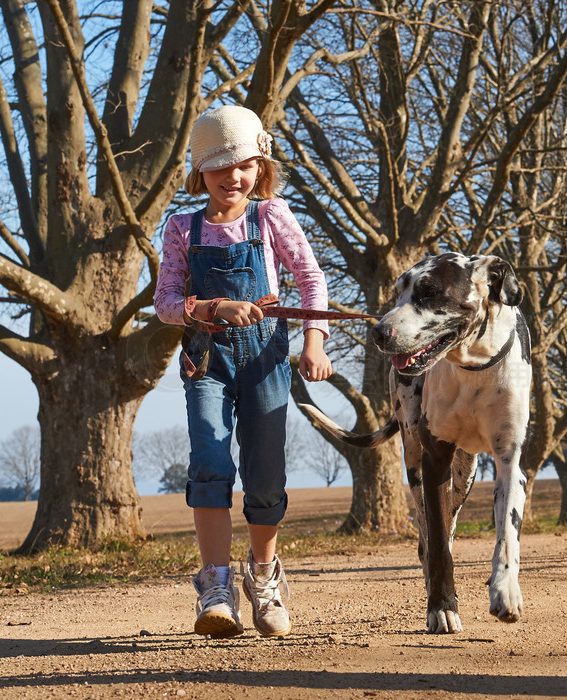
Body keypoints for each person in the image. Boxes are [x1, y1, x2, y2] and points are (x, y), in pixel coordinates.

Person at [154, 104, 332, 639]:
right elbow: (165, 302)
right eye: (218, 168)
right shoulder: (181, 229)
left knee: (266, 471)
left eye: (244, 166)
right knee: (209, 460)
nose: (233, 177)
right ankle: (215, 585)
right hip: (206, 359)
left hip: (266, 360)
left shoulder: (272, 216)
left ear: (261, 166)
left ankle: (264, 579)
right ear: (199, 174)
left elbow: (312, 280)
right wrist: (212, 309)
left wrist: (315, 342)